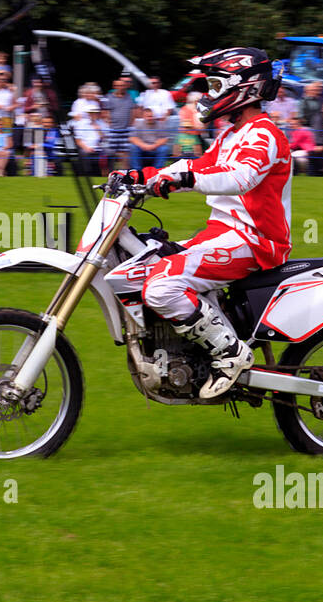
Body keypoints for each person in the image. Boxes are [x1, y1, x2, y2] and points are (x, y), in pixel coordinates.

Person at [105, 47, 291, 399]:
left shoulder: (264, 134)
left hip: (255, 241)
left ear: (244, 86)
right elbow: (196, 165)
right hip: (223, 235)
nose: (209, 93)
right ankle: (192, 350)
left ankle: (230, 353)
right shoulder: (230, 135)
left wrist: (186, 178)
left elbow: (241, 177)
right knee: (148, 261)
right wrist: (141, 176)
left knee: (161, 287)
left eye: (216, 84)